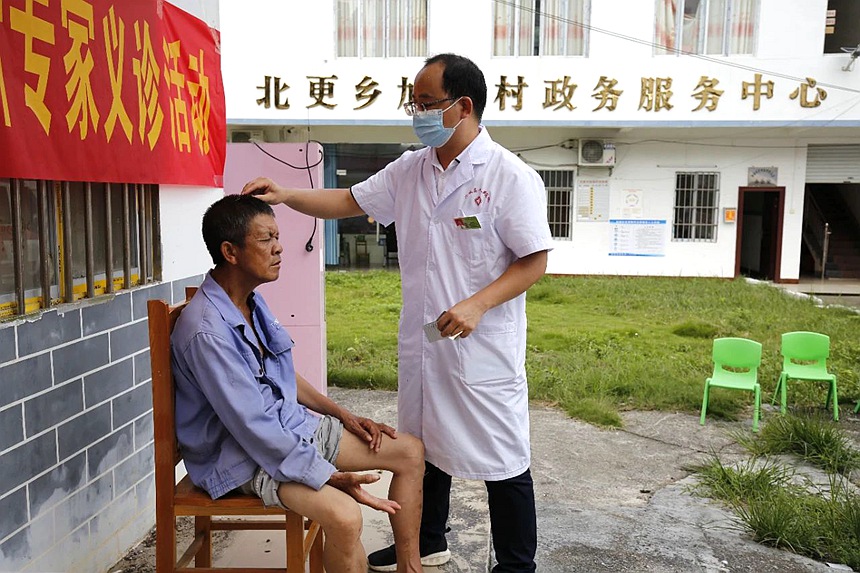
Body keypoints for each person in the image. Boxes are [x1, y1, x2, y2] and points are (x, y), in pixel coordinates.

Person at [242, 53, 552, 573]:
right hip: (425, 342)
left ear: (463, 107)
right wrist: (288, 193)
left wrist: (477, 304)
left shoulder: (508, 177)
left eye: (426, 103)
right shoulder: (411, 170)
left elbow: (534, 260)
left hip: (482, 347)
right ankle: (428, 539)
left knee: (503, 458)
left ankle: (518, 564)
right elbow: (347, 200)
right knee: (423, 446)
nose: (417, 112)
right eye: (414, 102)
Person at [170, 194, 425, 573]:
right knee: (345, 516)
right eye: (266, 239)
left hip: (289, 430)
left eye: (277, 236)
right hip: (244, 457)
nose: (279, 248)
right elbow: (252, 427)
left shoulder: (248, 301)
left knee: (409, 451)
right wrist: (326, 474)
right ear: (230, 251)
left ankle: (411, 567)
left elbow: (283, 374)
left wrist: (343, 415)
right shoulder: (207, 331)